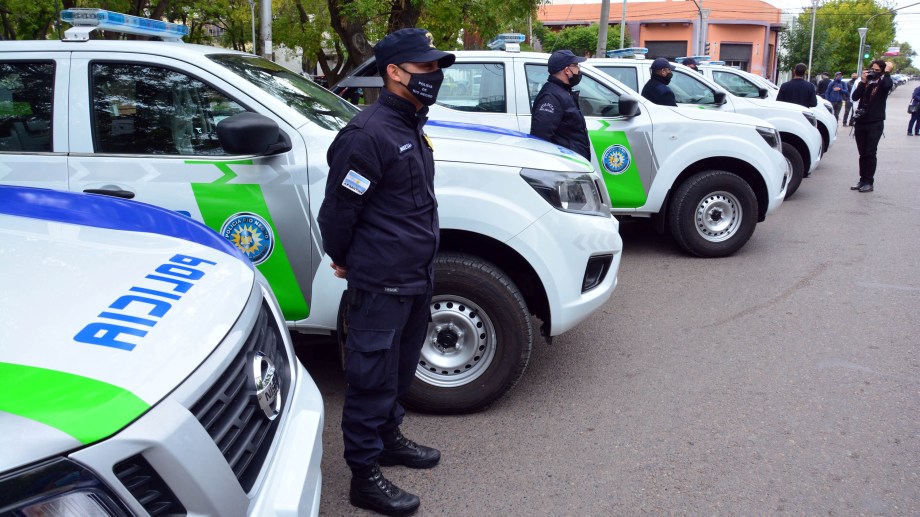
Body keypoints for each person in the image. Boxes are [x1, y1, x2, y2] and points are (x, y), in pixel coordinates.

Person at [317, 27, 454, 516]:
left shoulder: (411, 125)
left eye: (436, 67)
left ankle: (389, 437)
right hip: (381, 281)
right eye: (425, 68)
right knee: (371, 378)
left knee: (398, 371)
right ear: (394, 73)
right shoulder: (367, 134)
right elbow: (337, 212)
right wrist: (344, 258)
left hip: (415, 276)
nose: (434, 76)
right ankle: (364, 475)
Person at [530, 49, 591, 159]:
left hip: (573, 163)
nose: (579, 70)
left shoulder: (562, 92)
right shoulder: (551, 97)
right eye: (576, 66)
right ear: (567, 70)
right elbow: (541, 140)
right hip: (564, 166)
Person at [850, 59, 894, 192]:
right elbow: (855, 97)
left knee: (870, 152)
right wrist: (863, 82)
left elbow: (888, 86)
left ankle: (869, 181)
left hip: (875, 122)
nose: (873, 73)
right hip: (861, 122)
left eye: (877, 71)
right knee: (862, 153)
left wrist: (887, 72)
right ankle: (862, 180)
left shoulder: (883, 82)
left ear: (881, 71)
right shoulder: (866, 83)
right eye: (872, 70)